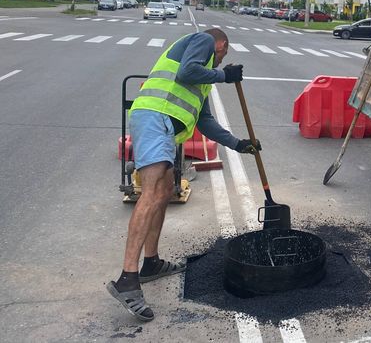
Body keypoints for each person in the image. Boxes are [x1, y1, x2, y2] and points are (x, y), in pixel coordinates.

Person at [107, 28, 261, 322]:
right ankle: (127, 278)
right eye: (223, 56)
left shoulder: (203, 80)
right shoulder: (203, 42)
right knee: (151, 194)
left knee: (164, 192)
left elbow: (206, 122)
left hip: (163, 125)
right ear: (222, 45)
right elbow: (187, 72)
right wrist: (224, 77)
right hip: (155, 118)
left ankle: (150, 263)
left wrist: (239, 144)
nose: (219, 62)